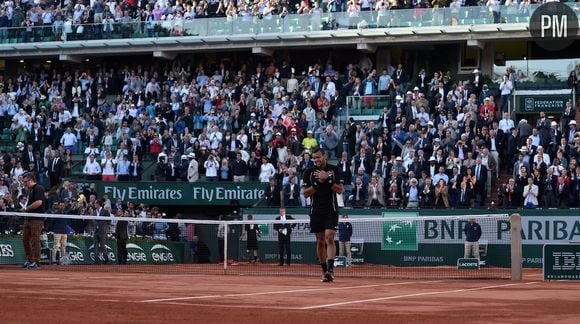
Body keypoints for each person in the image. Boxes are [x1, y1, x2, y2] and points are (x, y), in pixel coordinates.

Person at [302, 148, 345, 282]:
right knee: (320, 240)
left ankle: (331, 269)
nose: (316, 160)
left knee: (330, 238)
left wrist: (329, 180)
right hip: (315, 211)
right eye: (314, 158)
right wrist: (318, 183)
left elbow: (340, 190)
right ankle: (324, 270)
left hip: (331, 209)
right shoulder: (308, 172)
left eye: (318, 157)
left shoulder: (335, 170)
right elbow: (305, 193)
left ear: (324, 157)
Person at [20, 173, 46, 270]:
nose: (24, 183)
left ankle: (37, 261)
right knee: (25, 239)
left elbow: (39, 202)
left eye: (25, 181)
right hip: (28, 218)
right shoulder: (30, 191)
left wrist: (26, 209)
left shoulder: (39, 188)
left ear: (31, 180)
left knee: (35, 240)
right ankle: (30, 260)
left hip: (36, 219)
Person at [50, 201, 69, 265]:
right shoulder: (56, 214)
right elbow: (52, 223)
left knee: (64, 247)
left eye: (63, 205)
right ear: (58, 206)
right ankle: (53, 260)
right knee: (56, 246)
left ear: (64, 206)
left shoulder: (66, 214)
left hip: (64, 232)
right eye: (60, 205)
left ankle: (63, 261)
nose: (61, 206)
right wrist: (53, 230)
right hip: (57, 232)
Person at [92, 199, 110, 265]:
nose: (94, 205)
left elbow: (109, 220)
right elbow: (93, 221)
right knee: (95, 246)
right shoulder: (94, 212)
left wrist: (105, 228)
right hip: (95, 231)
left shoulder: (105, 211)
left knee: (102, 246)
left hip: (102, 231)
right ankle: (96, 261)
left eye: (95, 203)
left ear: (98, 204)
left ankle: (106, 260)